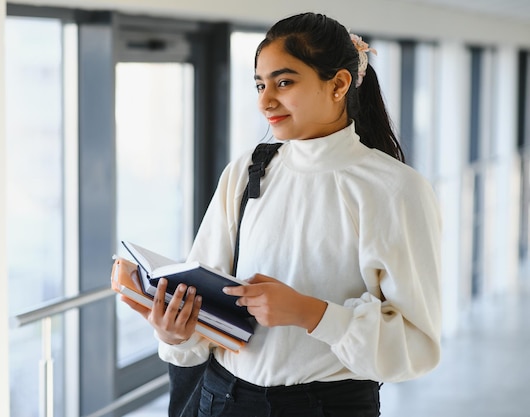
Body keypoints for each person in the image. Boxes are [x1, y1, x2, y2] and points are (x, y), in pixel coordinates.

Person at [121, 11, 442, 417]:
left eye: (284, 82)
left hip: (327, 407)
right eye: (260, 84)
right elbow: (207, 296)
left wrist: (311, 312)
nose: (264, 101)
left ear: (339, 83)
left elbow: (418, 345)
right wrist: (176, 331)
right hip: (222, 400)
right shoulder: (249, 169)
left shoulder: (395, 189)